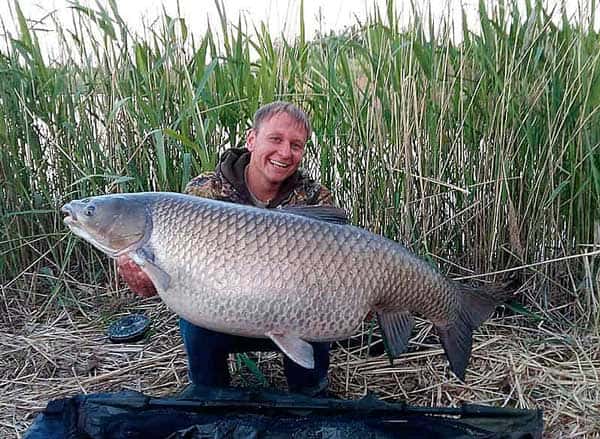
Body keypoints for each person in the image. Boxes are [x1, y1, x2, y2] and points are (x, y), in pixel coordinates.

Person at [118, 101, 340, 397]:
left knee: (317, 320)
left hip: (293, 315)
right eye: (275, 139)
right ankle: (210, 393)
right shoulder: (204, 193)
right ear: (251, 139)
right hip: (220, 315)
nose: (285, 152)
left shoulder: (315, 199)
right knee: (194, 317)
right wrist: (139, 272)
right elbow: (153, 287)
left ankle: (309, 393)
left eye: (296, 145)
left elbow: (334, 276)